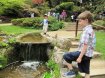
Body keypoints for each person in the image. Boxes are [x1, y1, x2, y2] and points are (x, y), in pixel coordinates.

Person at [63, 11, 96, 78]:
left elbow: (85, 45)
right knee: (87, 71)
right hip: (89, 54)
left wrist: (80, 57)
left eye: (80, 21)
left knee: (66, 56)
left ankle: (71, 71)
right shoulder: (91, 30)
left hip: (84, 54)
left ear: (86, 20)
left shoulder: (86, 31)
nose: (79, 22)